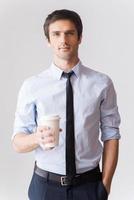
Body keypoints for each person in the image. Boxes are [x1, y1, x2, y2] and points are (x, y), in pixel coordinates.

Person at [12, 9, 121, 200]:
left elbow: (111, 134)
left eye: (70, 33)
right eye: (56, 34)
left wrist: (105, 185)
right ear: (48, 40)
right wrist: (37, 137)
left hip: (89, 186)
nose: (63, 40)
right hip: (45, 188)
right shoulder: (32, 86)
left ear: (80, 38)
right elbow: (18, 143)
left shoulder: (102, 83)